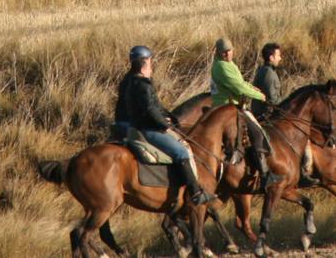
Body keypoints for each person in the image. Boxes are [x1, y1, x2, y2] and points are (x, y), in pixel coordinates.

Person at [115, 45, 213, 205]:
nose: (152, 64)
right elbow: (150, 110)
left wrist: (171, 117)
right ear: (143, 63)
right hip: (148, 129)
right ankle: (195, 193)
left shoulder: (137, 82)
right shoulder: (141, 85)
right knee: (181, 152)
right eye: (150, 61)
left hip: (146, 126)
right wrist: (164, 125)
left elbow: (156, 106)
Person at [211, 37, 278, 184]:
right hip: (227, 107)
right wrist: (260, 96)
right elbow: (238, 88)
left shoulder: (228, 64)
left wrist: (251, 87)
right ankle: (265, 174)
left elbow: (240, 82)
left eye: (229, 51)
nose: (227, 54)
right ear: (218, 53)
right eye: (224, 52)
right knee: (258, 133)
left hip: (234, 105)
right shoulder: (221, 66)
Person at [250, 43, 318, 186]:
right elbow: (273, 100)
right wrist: (290, 106)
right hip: (267, 115)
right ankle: (303, 173)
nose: (280, 58)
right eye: (278, 55)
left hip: (266, 112)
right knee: (301, 137)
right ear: (271, 57)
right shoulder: (268, 73)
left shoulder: (265, 70)